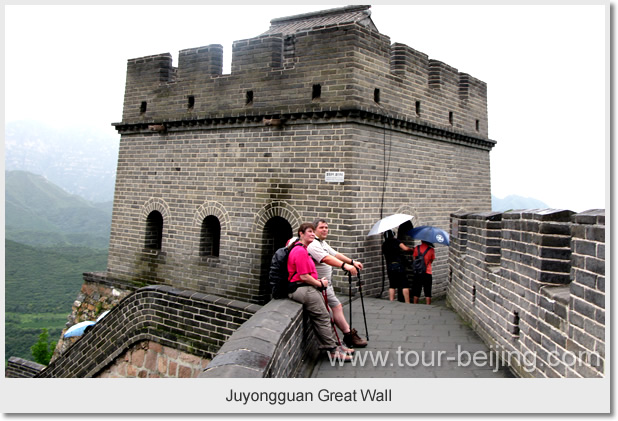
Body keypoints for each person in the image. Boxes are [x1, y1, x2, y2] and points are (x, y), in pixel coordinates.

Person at [287, 222, 352, 362]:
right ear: (301, 234)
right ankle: (332, 350)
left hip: (308, 287)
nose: (312, 234)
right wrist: (319, 283)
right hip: (301, 288)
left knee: (327, 314)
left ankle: (337, 344)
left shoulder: (304, 249)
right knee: (323, 316)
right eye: (309, 231)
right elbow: (304, 276)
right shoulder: (299, 251)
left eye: (312, 232)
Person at [307, 219, 368, 348]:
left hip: (326, 284)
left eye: (326, 227)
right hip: (319, 285)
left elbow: (335, 254)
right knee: (335, 308)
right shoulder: (313, 244)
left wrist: (352, 262)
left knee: (334, 308)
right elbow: (326, 258)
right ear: (315, 229)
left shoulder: (322, 243)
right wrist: (345, 266)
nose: (325, 230)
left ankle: (344, 336)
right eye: (321, 227)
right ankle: (347, 335)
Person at [381, 229, 413, 303]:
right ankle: (407, 302)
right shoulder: (396, 241)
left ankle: (391, 301)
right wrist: (411, 249)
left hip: (390, 266)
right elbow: (405, 248)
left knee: (392, 284)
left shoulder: (384, 245)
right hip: (398, 265)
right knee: (404, 283)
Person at [412, 240, 436, 304]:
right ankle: (428, 306)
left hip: (418, 272)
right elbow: (431, 260)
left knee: (416, 291)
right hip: (427, 272)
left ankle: (415, 305)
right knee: (428, 291)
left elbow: (414, 259)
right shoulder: (431, 250)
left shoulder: (417, 248)